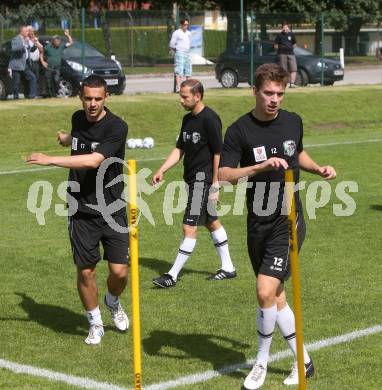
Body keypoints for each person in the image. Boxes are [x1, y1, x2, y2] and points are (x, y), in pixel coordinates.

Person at [218, 63, 336, 389]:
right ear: (254, 91)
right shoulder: (239, 130)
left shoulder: (293, 121)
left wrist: (319, 169)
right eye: (268, 93)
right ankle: (305, 361)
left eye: (280, 94)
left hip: (288, 219)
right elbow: (224, 175)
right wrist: (258, 167)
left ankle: (260, 361)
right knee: (277, 296)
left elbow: (299, 154)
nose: (274, 100)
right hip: (257, 221)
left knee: (264, 290)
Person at [26, 75, 129, 345]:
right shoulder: (77, 118)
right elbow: (79, 138)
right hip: (81, 207)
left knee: (119, 272)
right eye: (87, 98)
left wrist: (50, 160)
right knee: (86, 271)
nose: (92, 104)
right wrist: (65, 139)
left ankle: (113, 301)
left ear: (106, 97)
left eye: (97, 98)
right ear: (80, 98)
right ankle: (95, 323)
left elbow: (95, 160)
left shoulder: (117, 127)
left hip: (113, 208)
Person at [151, 79, 236, 288]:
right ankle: (228, 267)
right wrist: (162, 169)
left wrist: (215, 184)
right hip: (191, 180)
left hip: (203, 181)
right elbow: (179, 149)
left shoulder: (210, 119)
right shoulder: (187, 120)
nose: (181, 100)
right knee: (211, 221)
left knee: (189, 226)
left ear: (197, 96)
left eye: (184, 96)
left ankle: (172, 275)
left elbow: (218, 152)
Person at [41, 30, 73, 97]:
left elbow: (71, 43)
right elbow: (41, 53)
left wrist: (67, 35)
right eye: (56, 41)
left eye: (59, 41)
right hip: (49, 67)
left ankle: (56, 93)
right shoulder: (48, 47)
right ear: (53, 41)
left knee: (56, 80)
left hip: (57, 67)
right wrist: (43, 62)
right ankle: (50, 95)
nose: (58, 43)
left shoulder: (61, 46)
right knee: (48, 82)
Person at [8, 25, 37, 99]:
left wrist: (34, 43)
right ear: (22, 32)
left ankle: (32, 96)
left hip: (24, 64)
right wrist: (24, 43)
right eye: (26, 31)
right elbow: (14, 49)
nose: (28, 32)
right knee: (16, 82)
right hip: (16, 64)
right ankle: (16, 97)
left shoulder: (26, 39)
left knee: (32, 77)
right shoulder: (16, 39)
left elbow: (31, 49)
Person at [169, 18, 192, 93]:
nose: (186, 26)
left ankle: (188, 88)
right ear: (181, 25)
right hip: (180, 53)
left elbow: (189, 43)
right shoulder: (177, 33)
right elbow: (172, 44)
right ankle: (179, 88)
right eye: (185, 25)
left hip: (187, 53)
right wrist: (177, 50)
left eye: (187, 25)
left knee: (188, 71)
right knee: (179, 71)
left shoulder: (189, 33)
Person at [274, 22, 297, 88]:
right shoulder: (279, 35)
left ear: (288, 28)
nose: (285, 29)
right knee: (283, 70)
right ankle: (284, 84)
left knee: (294, 68)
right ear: (282, 28)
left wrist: (290, 48)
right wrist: (280, 50)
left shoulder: (291, 35)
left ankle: (292, 83)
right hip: (282, 54)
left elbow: (295, 44)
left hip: (291, 54)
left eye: (286, 27)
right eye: (284, 27)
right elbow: (275, 45)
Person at [26, 25, 44, 97]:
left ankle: (35, 94)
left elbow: (41, 49)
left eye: (32, 31)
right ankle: (30, 94)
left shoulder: (36, 39)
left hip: (36, 62)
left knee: (36, 78)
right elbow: (30, 50)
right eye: (30, 31)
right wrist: (33, 42)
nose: (31, 33)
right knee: (31, 78)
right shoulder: (26, 40)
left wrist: (36, 42)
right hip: (29, 62)